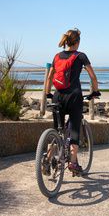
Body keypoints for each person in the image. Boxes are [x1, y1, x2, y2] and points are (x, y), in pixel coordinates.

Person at [44, 28, 101, 175]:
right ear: (77, 42)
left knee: (57, 131)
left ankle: (47, 159)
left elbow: (50, 76)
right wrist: (95, 91)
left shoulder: (57, 56)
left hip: (58, 96)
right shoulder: (81, 56)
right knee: (74, 131)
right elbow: (93, 77)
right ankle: (73, 164)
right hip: (74, 97)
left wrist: (48, 93)